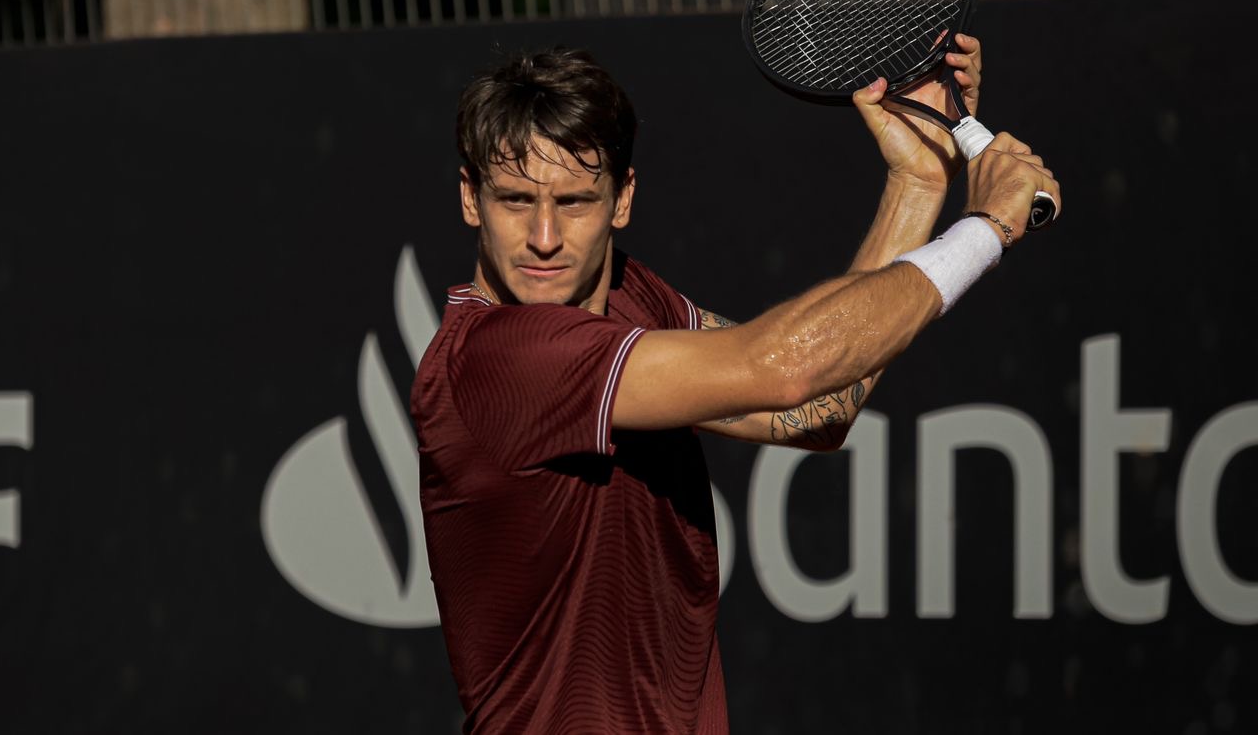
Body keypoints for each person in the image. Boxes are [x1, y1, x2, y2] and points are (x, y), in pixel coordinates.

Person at [410, 38, 1061, 734]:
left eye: (574, 202)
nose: (544, 237)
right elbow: (785, 369)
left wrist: (918, 183)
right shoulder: (496, 358)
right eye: (515, 200)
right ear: (470, 198)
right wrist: (985, 228)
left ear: (622, 199)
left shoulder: (632, 297)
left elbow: (819, 408)